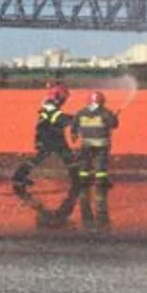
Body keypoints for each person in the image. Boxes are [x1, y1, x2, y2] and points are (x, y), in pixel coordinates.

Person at [11, 84, 81, 205]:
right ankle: (19, 177)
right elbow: (58, 118)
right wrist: (77, 119)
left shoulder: (50, 105)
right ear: (58, 96)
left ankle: (77, 179)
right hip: (48, 137)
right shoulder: (49, 106)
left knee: (66, 157)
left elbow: (59, 118)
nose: (64, 101)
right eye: (64, 98)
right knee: (43, 158)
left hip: (55, 136)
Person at [63, 91, 119, 228]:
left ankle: (83, 181)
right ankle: (100, 182)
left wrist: (74, 135)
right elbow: (114, 124)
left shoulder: (81, 112)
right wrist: (116, 117)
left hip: (86, 143)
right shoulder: (106, 112)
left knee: (85, 164)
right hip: (101, 144)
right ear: (101, 101)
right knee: (100, 164)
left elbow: (74, 126)